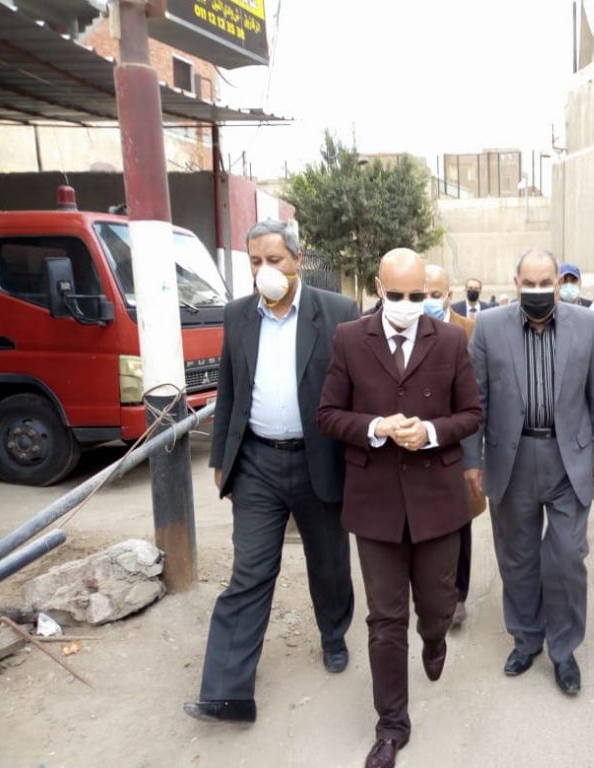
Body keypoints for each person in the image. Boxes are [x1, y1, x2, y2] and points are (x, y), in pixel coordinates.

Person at [184, 219, 356, 725]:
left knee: (328, 562)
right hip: (256, 463)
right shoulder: (238, 314)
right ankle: (227, 692)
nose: (265, 270)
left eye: (275, 260)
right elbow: (230, 389)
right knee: (250, 571)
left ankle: (333, 635)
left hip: (318, 459)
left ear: (298, 260)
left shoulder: (338, 312)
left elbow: (355, 392)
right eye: (256, 261)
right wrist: (221, 457)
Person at [317, 248, 482, 768]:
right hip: (375, 503)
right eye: (397, 294)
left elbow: (472, 413)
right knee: (385, 619)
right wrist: (375, 427)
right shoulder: (350, 338)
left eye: (418, 295)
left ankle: (434, 641)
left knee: (435, 607)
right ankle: (391, 725)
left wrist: (430, 432)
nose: (408, 304)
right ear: (377, 287)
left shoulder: (450, 340)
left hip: (438, 500)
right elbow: (327, 414)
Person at [464, 247, 594, 697]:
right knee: (517, 556)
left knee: (567, 556)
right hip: (511, 459)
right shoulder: (489, 327)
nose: (537, 291)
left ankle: (563, 649)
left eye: (545, 283)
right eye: (528, 283)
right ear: (516, 285)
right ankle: (526, 637)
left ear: (558, 282)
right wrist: (472, 461)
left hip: (568, 458)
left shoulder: (586, 324)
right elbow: (476, 400)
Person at [423, 263, 481, 628]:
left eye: (435, 294)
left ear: (449, 295)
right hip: (416, 441)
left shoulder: (471, 331)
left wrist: (475, 456)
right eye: (422, 293)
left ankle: (458, 595)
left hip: (458, 442)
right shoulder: (406, 326)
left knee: (459, 522)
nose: (427, 300)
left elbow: (478, 395)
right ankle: (428, 590)